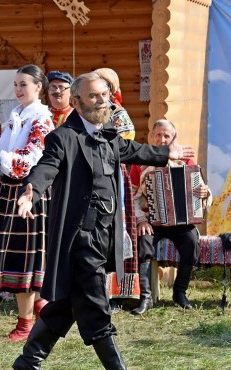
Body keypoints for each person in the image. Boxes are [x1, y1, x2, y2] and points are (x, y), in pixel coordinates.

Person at [12, 72, 194, 370]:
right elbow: (46, 168)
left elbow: (133, 150)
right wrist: (31, 192)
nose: (101, 101)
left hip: (103, 235)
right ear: (77, 102)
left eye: (104, 95)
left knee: (67, 302)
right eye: (93, 96)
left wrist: (166, 154)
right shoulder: (63, 137)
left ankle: (30, 358)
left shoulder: (108, 134)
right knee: (96, 305)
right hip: (78, 238)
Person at [0, 64, 55, 341]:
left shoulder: (41, 120)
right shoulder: (16, 116)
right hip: (8, 190)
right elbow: (1, 148)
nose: (18, 89)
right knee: (13, 255)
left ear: (38, 87)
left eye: (24, 84)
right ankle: (39, 307)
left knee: (24, 258)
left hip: (28, 191)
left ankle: (25, 324)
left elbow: (30, 158)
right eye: (15, 84)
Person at [129, 119, 211, 314]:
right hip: (151, 221)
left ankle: (180, 292)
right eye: (158, 135)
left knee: (191, 241)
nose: (162, 139)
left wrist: (204, 193)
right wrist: (141, 220)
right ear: (151, 137)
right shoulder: (140, 163)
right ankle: (146, 298)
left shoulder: (187, 162)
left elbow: (202, 190)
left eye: (167, 136)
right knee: (143, 240)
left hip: (181, 221)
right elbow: (132, 196)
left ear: (174, 138)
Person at [95, 67, 139, 312]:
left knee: (115, 231)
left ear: (111, 89)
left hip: (114, 177)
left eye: (103, 86)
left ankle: (115, 294)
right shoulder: (86, 112)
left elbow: (125, 143)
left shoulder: (117, 112)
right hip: (93, 175)